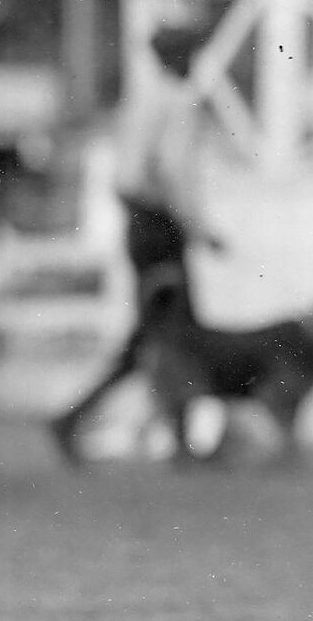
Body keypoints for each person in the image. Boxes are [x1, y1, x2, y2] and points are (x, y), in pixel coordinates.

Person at [50, 25, 227, 462]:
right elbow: (169, 171)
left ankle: (80, 420)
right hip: (160, 225)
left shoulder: (141, 97)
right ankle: (178, 441)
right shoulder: (176, 101)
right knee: (172, 335)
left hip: (141, 223)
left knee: (155, 335)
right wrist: (201, 228)